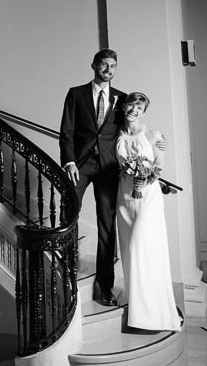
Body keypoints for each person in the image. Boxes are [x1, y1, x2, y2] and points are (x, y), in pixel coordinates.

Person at [59, 49, 127, 307]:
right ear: (94, 66)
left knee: (107, 227)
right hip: (82, 164)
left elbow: (130, 128)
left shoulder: (121, 98)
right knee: (69, 215)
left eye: (113, 65)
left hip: (109, 167)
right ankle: (66, 272)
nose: (108, 69)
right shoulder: (76, 94)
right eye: (103, 64)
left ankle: (105, 287)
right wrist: (69, 161)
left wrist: (152, 141)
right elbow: (66, 129)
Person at [115, 92, 181, 331]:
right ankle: (136, 306)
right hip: (124, 197)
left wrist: (145, 176)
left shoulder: (154, 135)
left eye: (139, 108)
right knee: (129, 250)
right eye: (131, 105)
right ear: (124, 107)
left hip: (148, 197)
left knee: (143, 245)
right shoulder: (117, 136)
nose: (134, 110)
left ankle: (152, 313)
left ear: (144, 112)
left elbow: (159, 167)